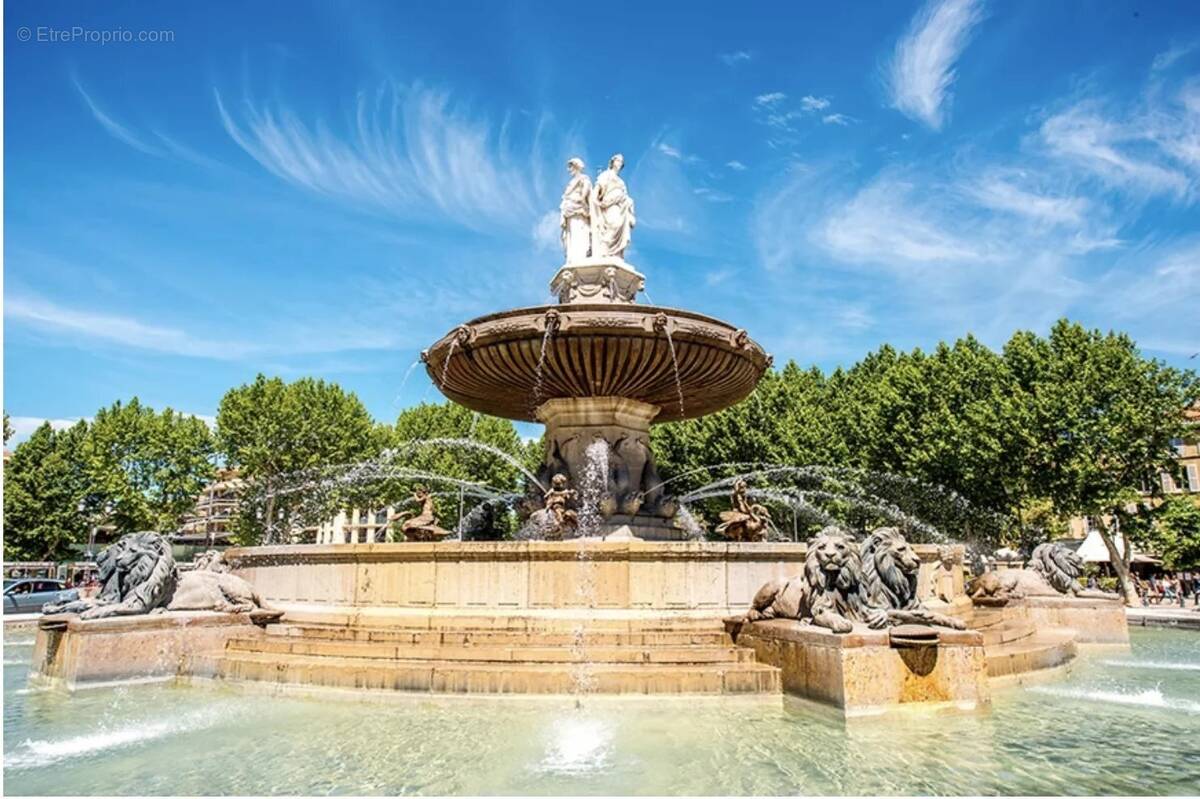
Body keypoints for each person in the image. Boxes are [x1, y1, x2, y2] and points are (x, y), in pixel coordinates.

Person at [589, 154, 635, 260]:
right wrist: (595, 201)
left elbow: (625, 196)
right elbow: (598, 188)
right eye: (618, 161)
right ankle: (605, 250)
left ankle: (616, 253)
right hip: (608, 206)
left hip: (619, 207)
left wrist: (629, 204)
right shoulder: (606, 175)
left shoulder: (621, 182)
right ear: (613, 162)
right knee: (614, 224)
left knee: (619, 225)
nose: (619, 163)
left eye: (621, 162)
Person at [559, 157, 592, 263]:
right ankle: (572, 256)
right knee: (570, 234)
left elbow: (586, 190)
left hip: (578, 209)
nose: (569, 170)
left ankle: (580, 256)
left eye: (571, 167)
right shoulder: (572, 182)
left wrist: (581, 200)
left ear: (576, 166)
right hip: (570, 210)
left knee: (579, 231)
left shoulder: (583, 178)